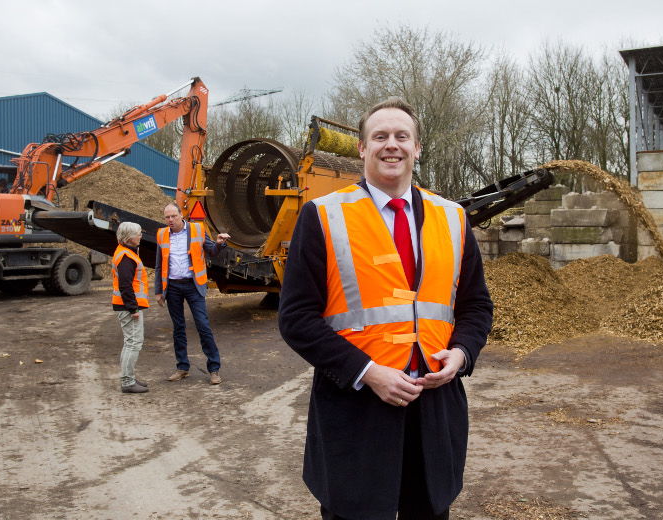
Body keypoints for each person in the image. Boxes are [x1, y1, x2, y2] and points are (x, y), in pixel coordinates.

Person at [278, 99, 493, 520]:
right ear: (361, 148)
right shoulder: (322, 216)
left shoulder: (453, 218)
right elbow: (297, 318)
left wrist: (463, 353)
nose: (390, 145)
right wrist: (367, 372)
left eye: (401, 136)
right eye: (380, 136)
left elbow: (476, 306)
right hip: (356, 409)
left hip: (434, 410)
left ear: (417, 148)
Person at [155, 203, 230, 384]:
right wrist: (159, 291)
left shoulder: (198, 229)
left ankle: (214, 369)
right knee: (178, 328)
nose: (170, 220)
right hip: (172, 287)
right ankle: (182, 367)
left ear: (182, 215)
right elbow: (159, 264)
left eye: (173, 216)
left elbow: (212, 252)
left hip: (193, 286)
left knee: (203, 326)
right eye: (167, 217)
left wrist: (220, 244)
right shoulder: (162, 234)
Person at [112, 221, 149, 394]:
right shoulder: (127, 257)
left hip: (124, 306)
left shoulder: (125, 253)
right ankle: (127, 381)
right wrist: (133, 308)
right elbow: (125, 285)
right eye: (138, 234)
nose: (140, 236)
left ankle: (129, 378)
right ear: (128, 238)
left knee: (130, 343)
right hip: (128, 307)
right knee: (133, 343)